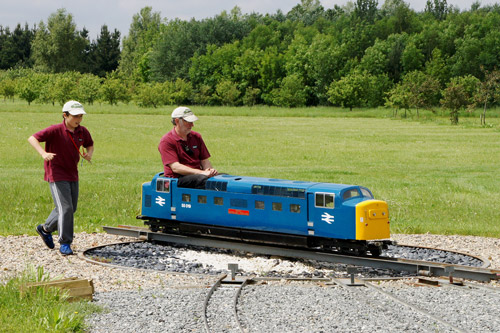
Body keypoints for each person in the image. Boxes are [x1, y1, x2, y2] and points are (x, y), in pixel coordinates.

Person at [28, 100, 94, 255]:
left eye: (81, 116)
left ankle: (45, 229)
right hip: (56, 174)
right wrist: (43, 154)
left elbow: (89, 144)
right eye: (75, 116)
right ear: (65, 115)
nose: (79, 119)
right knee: (66, 208)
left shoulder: (82, 131)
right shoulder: (55, 130)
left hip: (72, 173)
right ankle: (65, 243)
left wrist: (89, 154)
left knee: (71, 208)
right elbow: (32, 138)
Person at [158, 106, 218, 188]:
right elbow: (176, 168)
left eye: (192, 122)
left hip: (198, 175)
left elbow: (204, 160)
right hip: (177, 179)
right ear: (177, 121)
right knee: (203, 180)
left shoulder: (196, 136)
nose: (192, 125)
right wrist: (202, 173)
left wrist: (210, 171)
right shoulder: (167, 141)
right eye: (188, 122)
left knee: (222, 179)